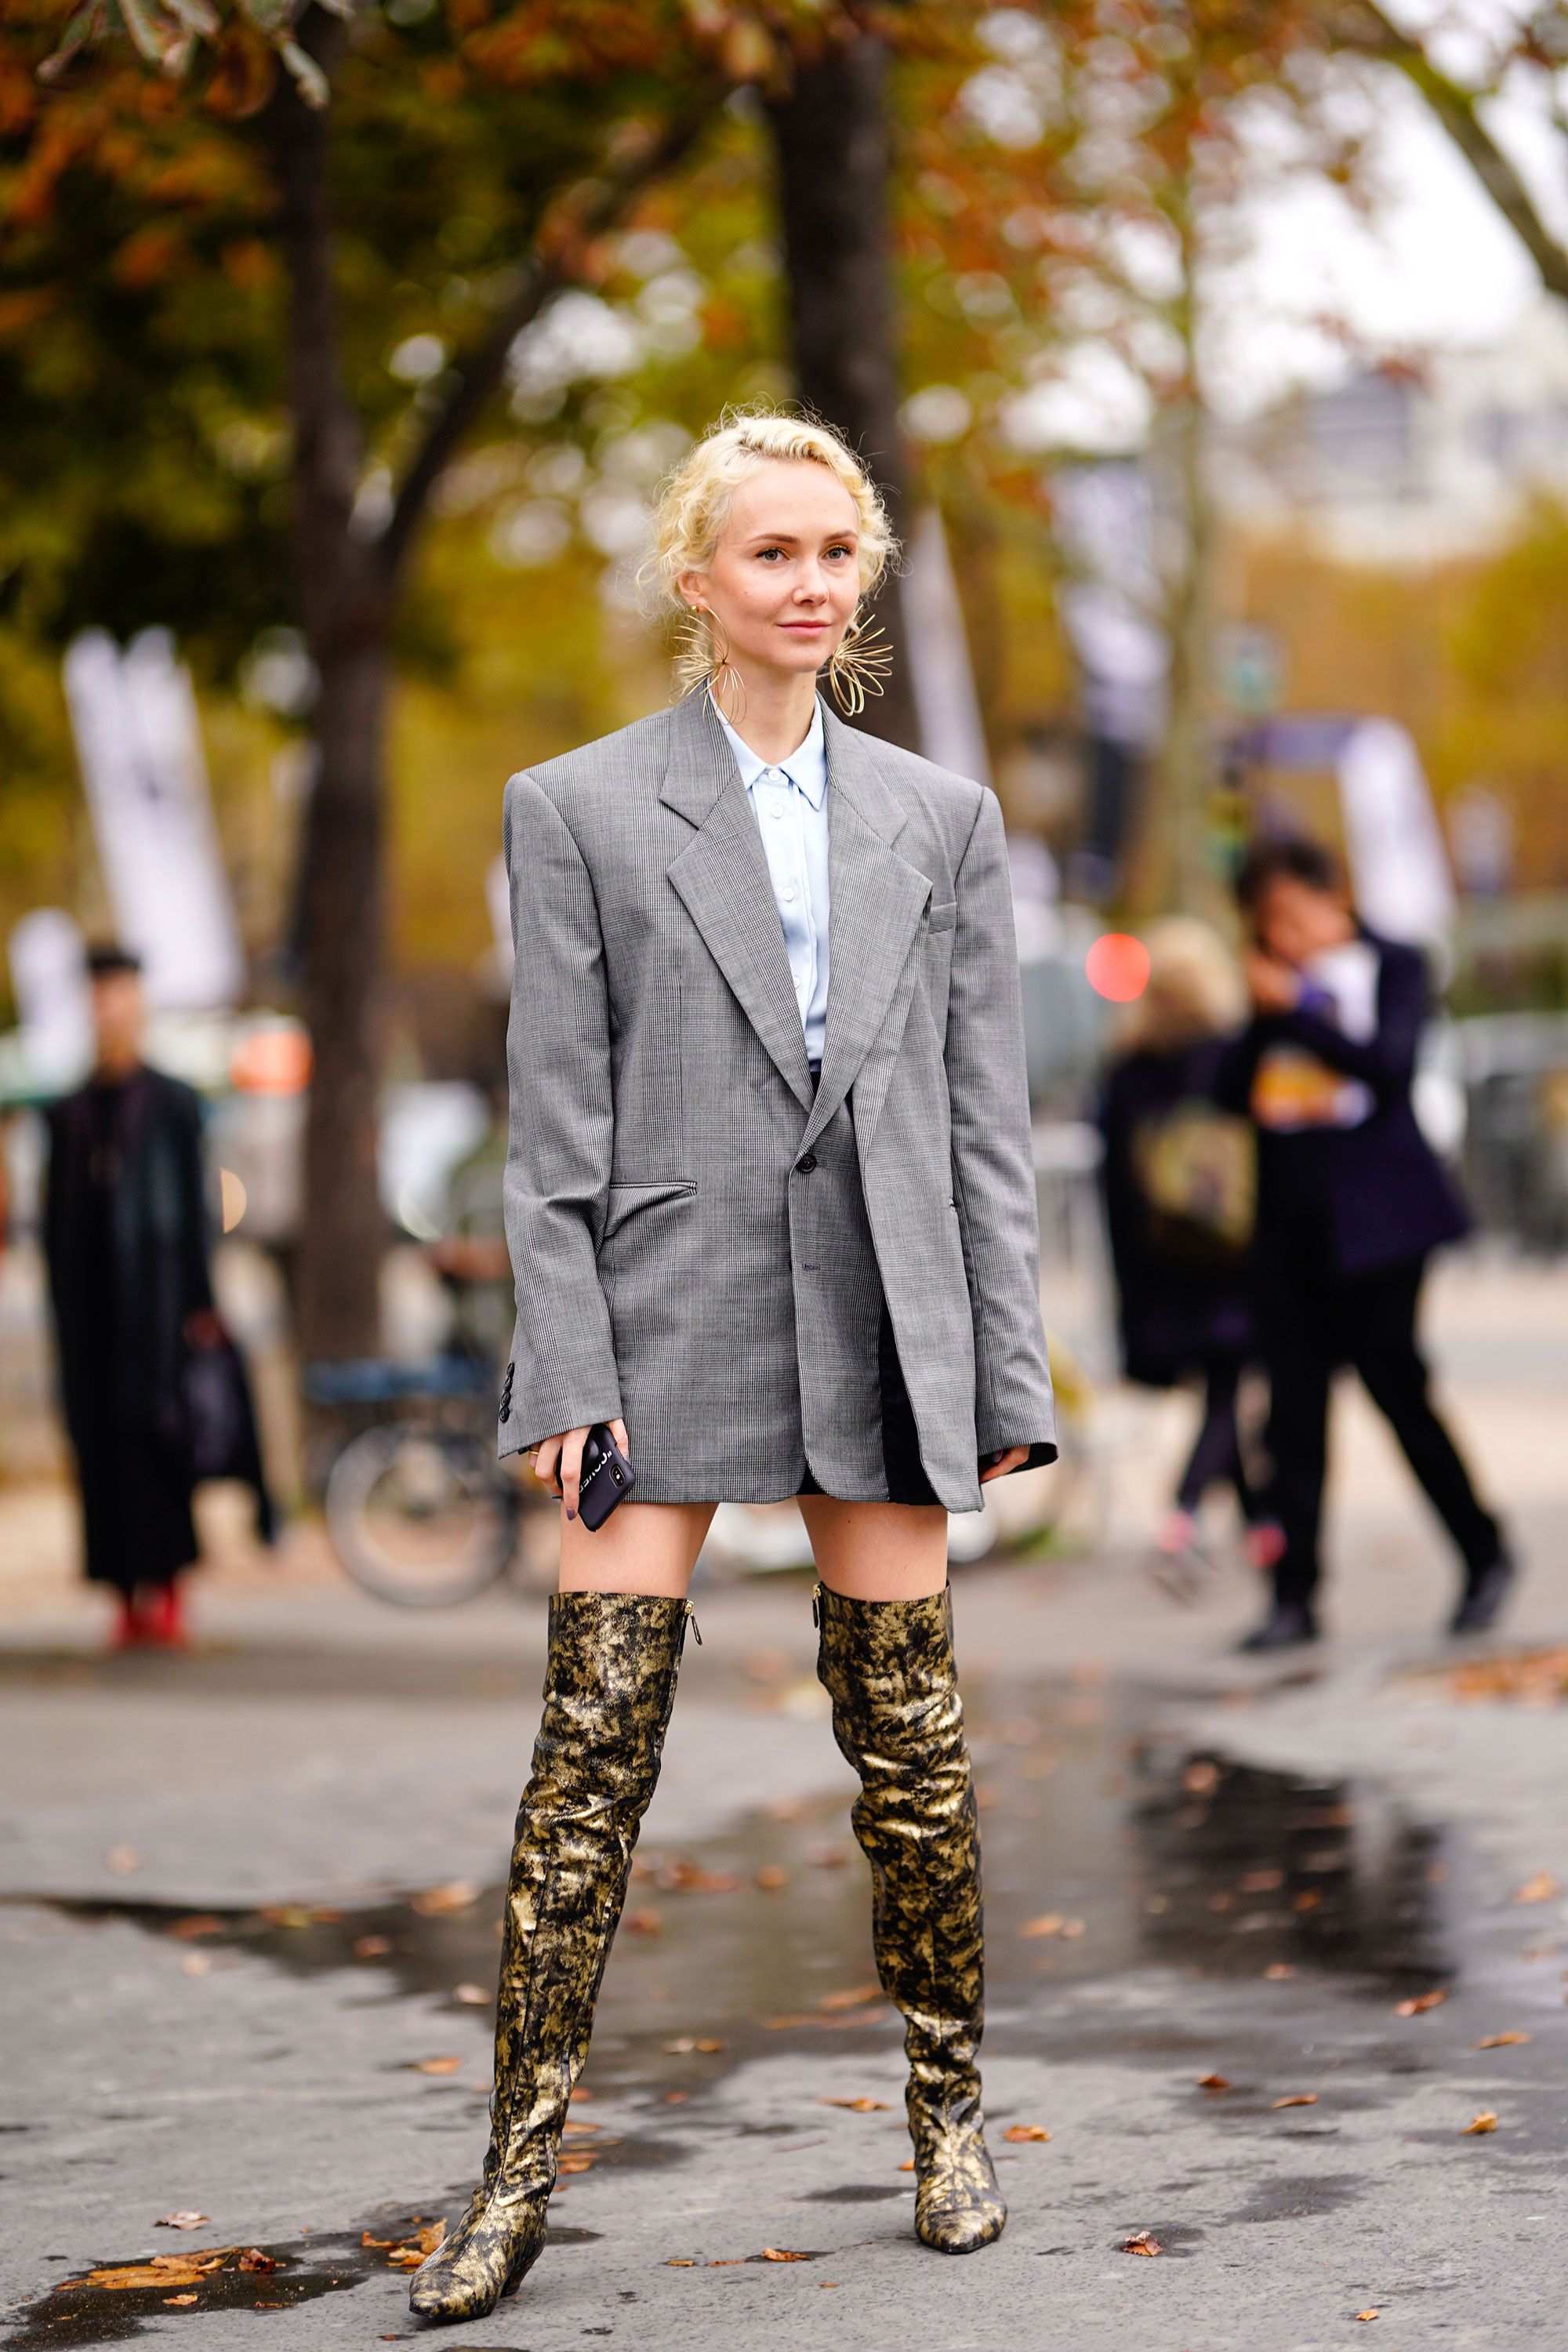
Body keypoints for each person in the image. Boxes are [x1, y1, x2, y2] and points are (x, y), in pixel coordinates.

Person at [409, 411, 1054, 2323]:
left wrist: (1004, 1369)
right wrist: (561, 1371)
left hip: (882, 1304)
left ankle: (948, 2118)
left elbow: (981, 1120)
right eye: (768, 552)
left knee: (910, 1758)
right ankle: (514, 2170)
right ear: (695, 578)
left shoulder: (939, 819)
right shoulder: (578, 805)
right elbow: (553, 1129)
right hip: (664, 1312)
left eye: (832, 554)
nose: (805, 584)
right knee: (585, 1756)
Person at [1222, 837, 1512, 1653]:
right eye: (1264, 921)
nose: (1281, 934)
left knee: (1398, 1391)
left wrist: (1299, 1014)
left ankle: (1482, 1553)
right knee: (1293, 1418)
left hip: (1382, 1232)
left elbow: (1386, 1067)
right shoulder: (1265, 989)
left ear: (1330, 896)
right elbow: (1225, 1090)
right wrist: (1259, 1017)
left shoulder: (1394, 963)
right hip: (1289, 1235)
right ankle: (1293, 1597)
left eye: (1290, 913)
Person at [42, 945, 219, 1649]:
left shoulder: (173, 1104)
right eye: (99, 994)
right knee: (101, 1446)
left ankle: (169, 1589)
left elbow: (198, 1214)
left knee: (160, 1444)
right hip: (91, 1313)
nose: (109, 1007)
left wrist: (200, 1304)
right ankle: (121, 1595)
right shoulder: (69, 1112)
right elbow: (55, 1221)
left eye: (120, 992)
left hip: (160, 1307)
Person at [1098, 918, 1261, 1596]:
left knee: (1220, 1388)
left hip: (1159, 1261)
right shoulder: (1229, 1055)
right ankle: (1185, 1518)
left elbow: (1110, 1182)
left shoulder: (1125, 1071)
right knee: (1229, 1386)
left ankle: (1264, 1529)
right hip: (1230, 1253)